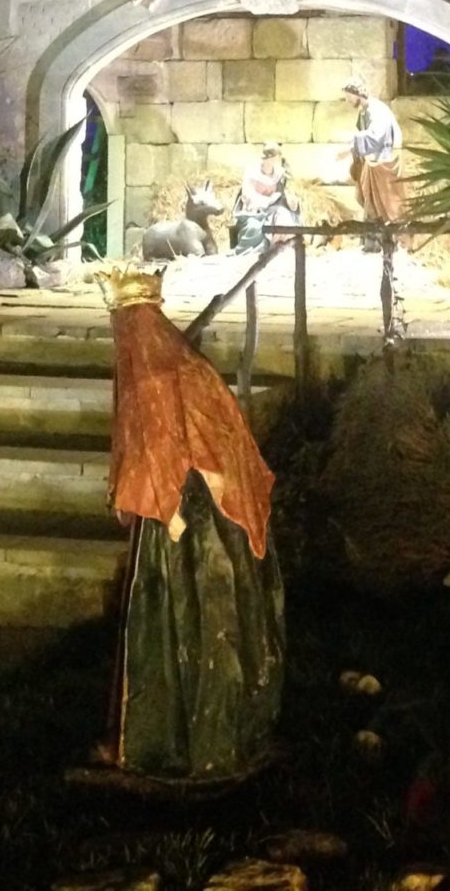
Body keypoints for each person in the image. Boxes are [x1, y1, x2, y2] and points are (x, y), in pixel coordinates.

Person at [92, 260, 284, 783]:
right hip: (208, 519)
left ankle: (178, 742)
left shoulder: (154, 376)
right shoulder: (185, 365)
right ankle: (206, 735)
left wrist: (166, 511)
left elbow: (166, 455)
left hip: (184, 525)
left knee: (186, 627)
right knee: (205, 626)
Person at [343, 77, 406, 222]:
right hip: (372, 162)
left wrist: (351, 147)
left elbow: (376, 137)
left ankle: (393, 230)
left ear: (357, 93)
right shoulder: (364, 111)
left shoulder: (377, 110)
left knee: (389, 204)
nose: (347, 100)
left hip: (383, 163)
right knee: (368, 201)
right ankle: (374, 228)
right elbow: (361, 133)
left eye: (348, 96)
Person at [232, 143, 292, 252]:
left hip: (272, 209)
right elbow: (248, 195)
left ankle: (278, 247)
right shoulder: (252, 173)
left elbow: (282, 193)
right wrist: (266, 201)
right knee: (254, 226)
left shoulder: (278, 173)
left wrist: (285, 197)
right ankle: (256, 250)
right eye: (275, 157)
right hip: (253, 211)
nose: (276, 160)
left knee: (285, 216)